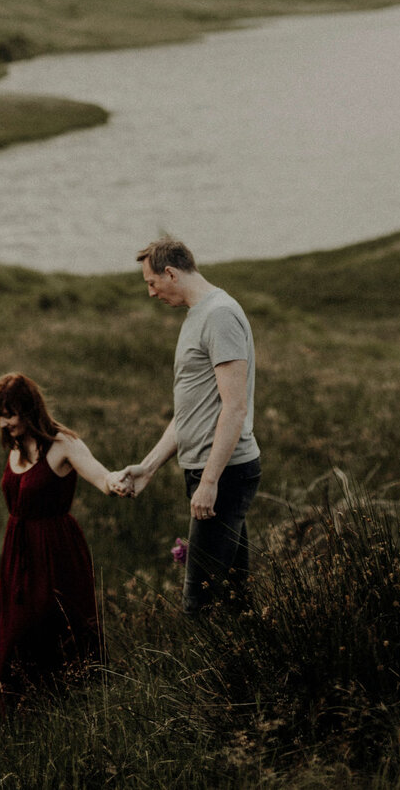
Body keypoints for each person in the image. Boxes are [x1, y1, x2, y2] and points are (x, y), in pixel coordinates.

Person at [116, 236, 260, 612]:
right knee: (233, 598)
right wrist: (148, 467)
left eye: (151, 283)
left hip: (225, 472)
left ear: (170, 272)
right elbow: (190, 414)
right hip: (211, 472)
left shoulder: (219, 315)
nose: (151, 293)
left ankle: (214, 671)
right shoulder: (199, 315)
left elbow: (234, 407)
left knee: (200, 603)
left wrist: (210, 481)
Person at [0, 371, 125, 719]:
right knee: (8, 633)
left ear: (29, 409)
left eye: (10, 413)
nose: (4, 422)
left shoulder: (63, 445)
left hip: (56, 550)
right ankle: (16, 717)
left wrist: (119, 481)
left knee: (52, 628)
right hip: (18, 551)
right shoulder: (15, 445)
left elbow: (100, 476)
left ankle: (74, 710)